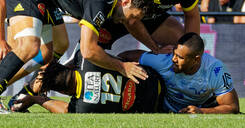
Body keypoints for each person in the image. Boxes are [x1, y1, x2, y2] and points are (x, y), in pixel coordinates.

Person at [0, 0, 157, 101]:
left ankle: (21, 92)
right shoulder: (100, 1)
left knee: (47, 53)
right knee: (28, 46)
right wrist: (121, 66)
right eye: (133, 17)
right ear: (126, 2)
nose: (130, 23)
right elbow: (88, 51)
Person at [10, 52, 165, 113]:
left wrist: (35, 99)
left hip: (157, 107)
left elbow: (64, 110)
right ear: (67, 67)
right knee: (122, 56)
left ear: (63, 92)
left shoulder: (82, 106)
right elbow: (122, 59)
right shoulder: (85, 58)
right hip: (157, 77)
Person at [124, 33, 239, 114]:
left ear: (196, 59)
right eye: (174, 53)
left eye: (180, 57)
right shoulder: (164, 61)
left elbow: (232, 107)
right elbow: (126, 56)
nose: (173, 59)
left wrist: (202, 112)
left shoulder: (215, 70)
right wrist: (121, 67)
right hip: (158, 107)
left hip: (201, 106)